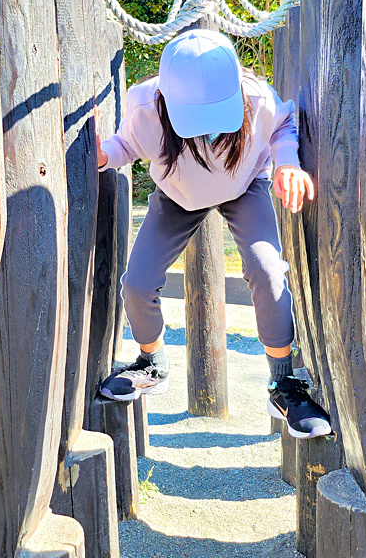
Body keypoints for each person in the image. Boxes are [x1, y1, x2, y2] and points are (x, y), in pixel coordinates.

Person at [96, 28, 331, 439]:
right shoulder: (144, 106)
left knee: (267, 271)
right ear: (166, 99)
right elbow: (127, 145)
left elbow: (282, 127)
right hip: (178, 192)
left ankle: (283, 382)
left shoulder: (256, 96)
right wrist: (104, 156)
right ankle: (152, 362)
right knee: (136, 282)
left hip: (243, 186)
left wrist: (287, 163)